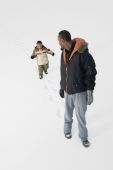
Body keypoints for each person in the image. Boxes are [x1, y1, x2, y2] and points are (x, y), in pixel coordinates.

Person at [58, 30, 97, 147]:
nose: (58, 42)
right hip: (68, 90)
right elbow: (63, 72)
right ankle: (67, 129)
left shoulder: (83, 53)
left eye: (58, 40)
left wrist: (90, 91)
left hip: (80, 91)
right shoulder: (63, 53)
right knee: (68, 113)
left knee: (80, 116)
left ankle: (83, 137)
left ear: (63, 40)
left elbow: (91, 72)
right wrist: (62, 86)